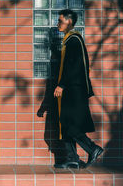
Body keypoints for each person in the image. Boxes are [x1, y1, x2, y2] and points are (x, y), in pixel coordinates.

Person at [38, 9, 103, 169]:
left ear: (69, 22)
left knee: (69, 125)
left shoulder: (74, 40)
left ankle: (92, 148)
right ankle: (72, 158)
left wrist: (62, 85)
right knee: (65, 124)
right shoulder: (69, 41)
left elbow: (73, 67)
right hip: (70, 91)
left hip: (74, 91)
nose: (57, 24)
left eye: (60, 21)